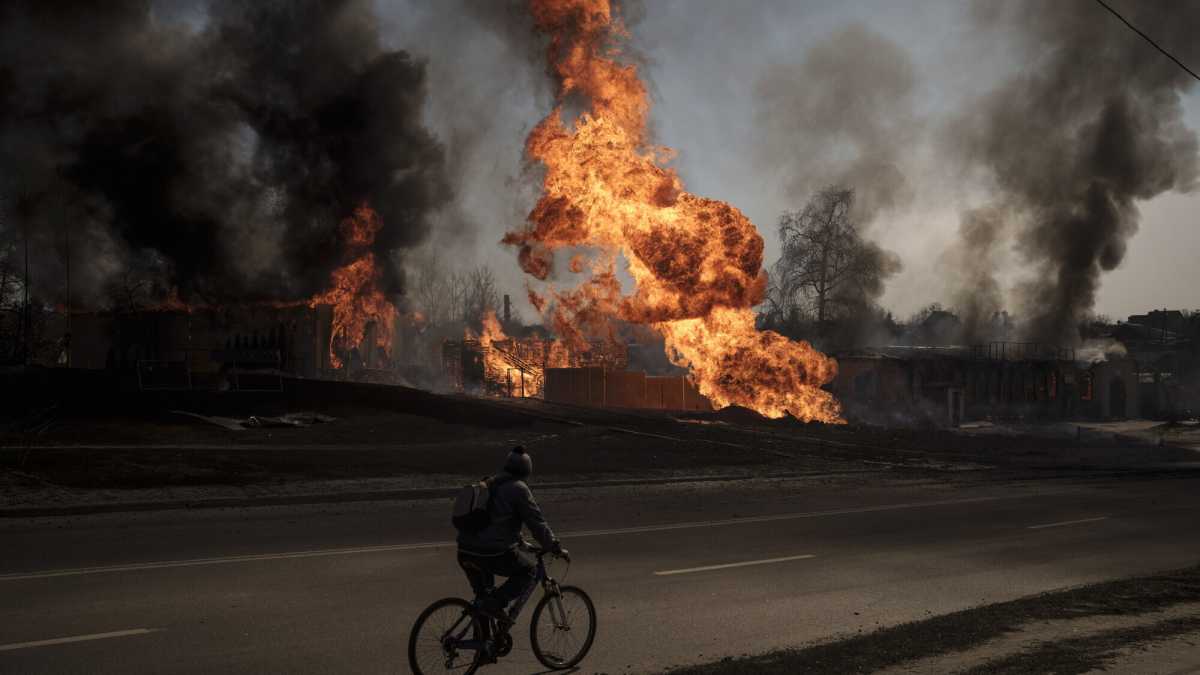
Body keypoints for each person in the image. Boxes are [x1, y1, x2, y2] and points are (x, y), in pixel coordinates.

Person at [456, 445, 566, 626]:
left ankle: (484, 648)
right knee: (529, 572)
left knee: (483, 598)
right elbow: (536, 522)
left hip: (465, 550)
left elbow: (498, 522)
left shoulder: (489, 482)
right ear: (526, 470)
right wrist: (554, 546)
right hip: (489, 553)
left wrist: (521, 542)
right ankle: (495, 604)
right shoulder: (519, 488)